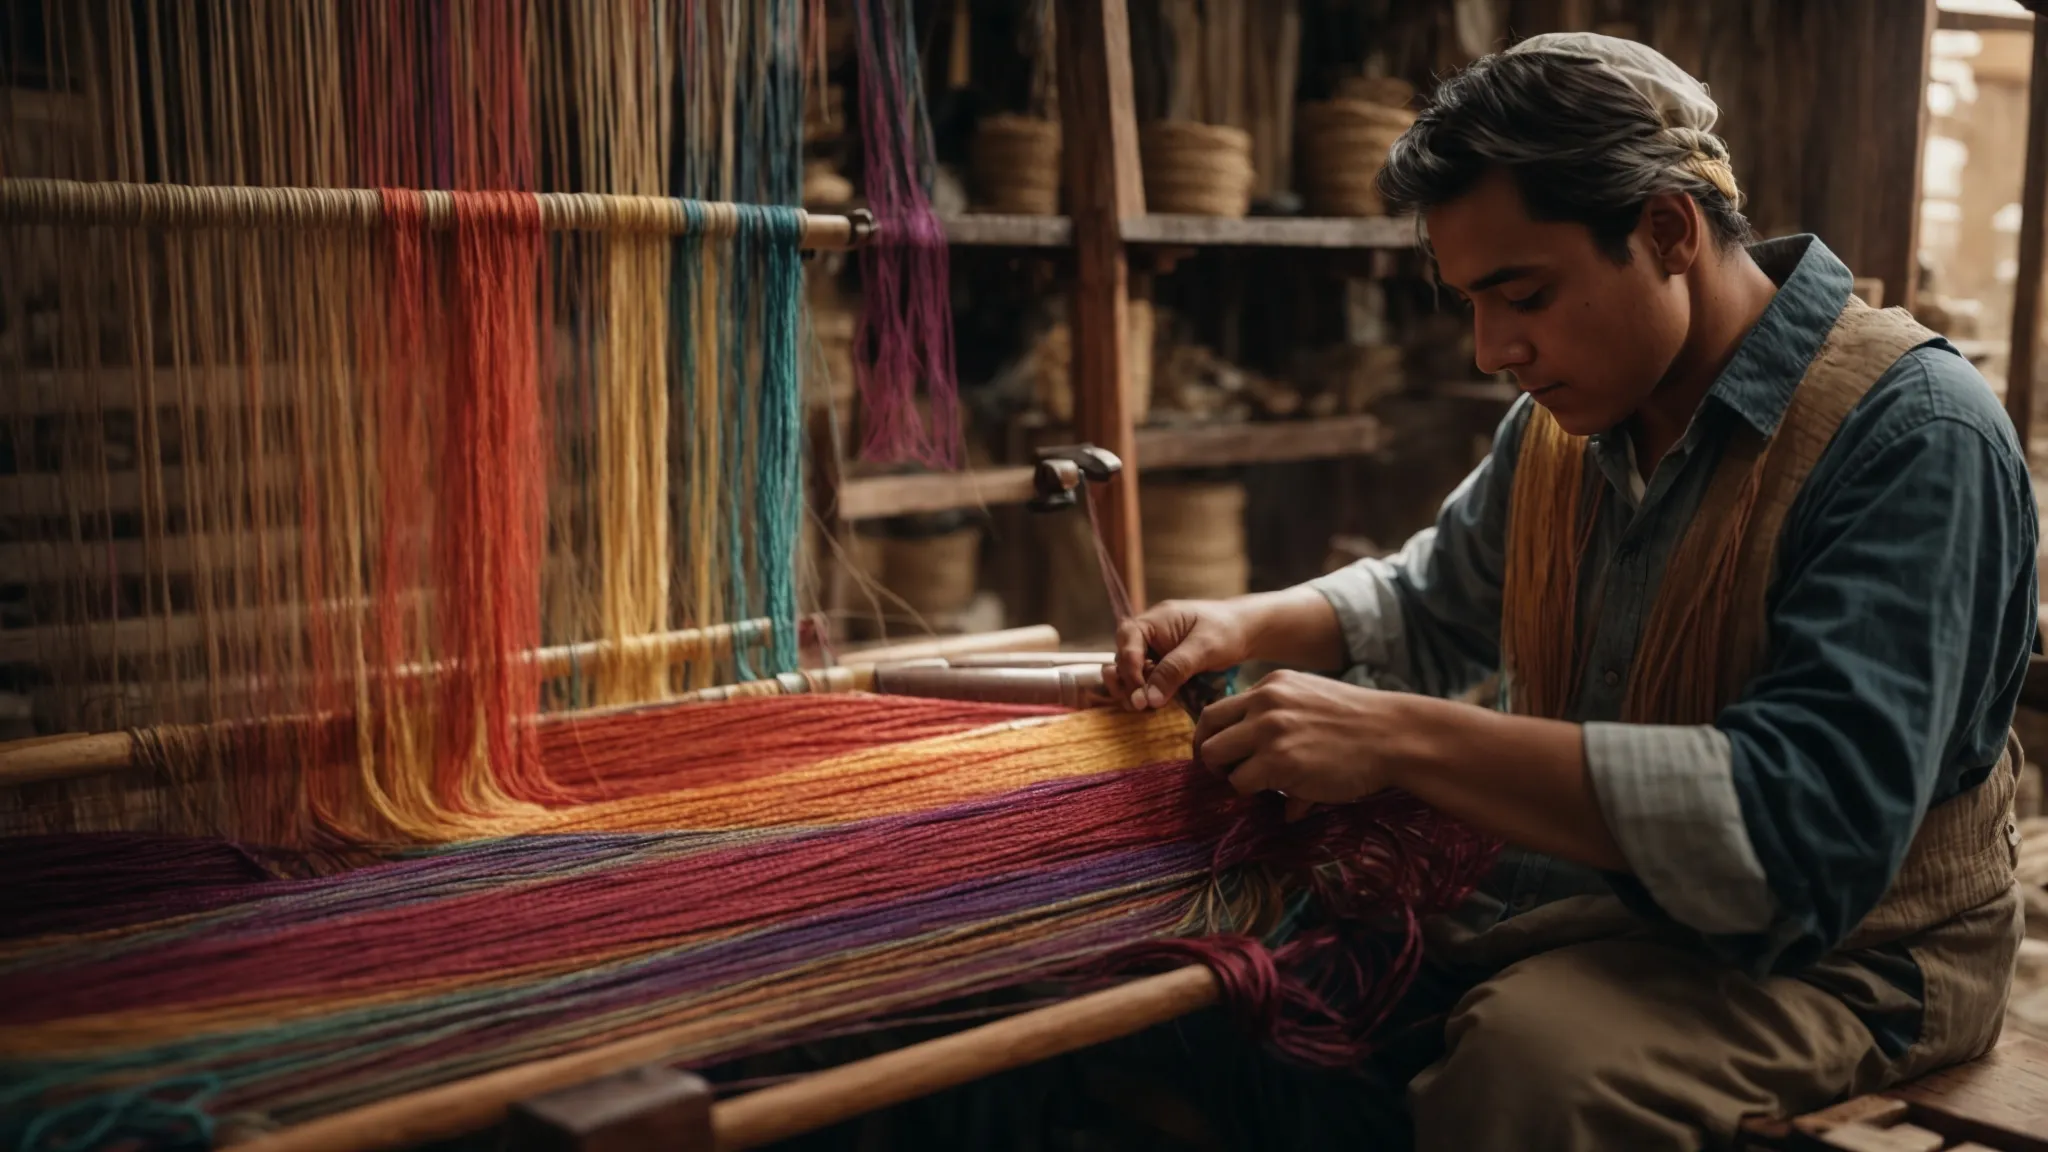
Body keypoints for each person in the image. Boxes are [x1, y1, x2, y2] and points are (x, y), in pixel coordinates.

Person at [1097, 32, 2037, 1151]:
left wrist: (1397, 739)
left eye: (1523, 294)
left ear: (1665, 230)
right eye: (1470, 305)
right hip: (1590, 901)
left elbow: (1806, 829)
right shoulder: (1567, 423)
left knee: (1528, 1070)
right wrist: (1248, 624)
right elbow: (1433, 595)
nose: (1494, 348)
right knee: (1217, 990)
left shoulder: (1909, 437)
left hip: (1846, 956)